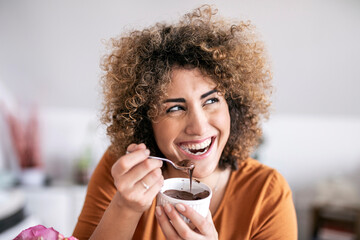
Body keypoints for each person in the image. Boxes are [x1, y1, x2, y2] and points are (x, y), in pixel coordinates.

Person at [73, 5, 297, 240]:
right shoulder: (122, 172)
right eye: (176, 108)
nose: (199, 127)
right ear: (145, 119)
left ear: (232, 105)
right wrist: (125, 207)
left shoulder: (267, 193)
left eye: (211, 100)